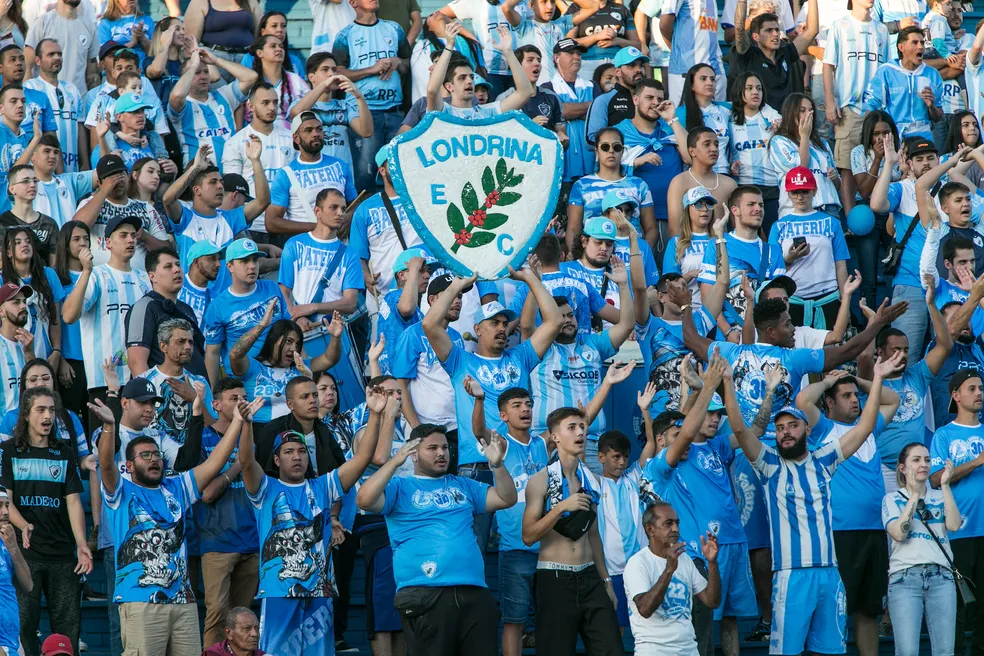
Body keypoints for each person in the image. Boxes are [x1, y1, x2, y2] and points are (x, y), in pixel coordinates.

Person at [724, 349, 903, 655]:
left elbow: (863, 428)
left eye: (792, 426)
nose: (785, 433)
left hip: (830, 574)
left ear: (807, 429)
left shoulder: (824, 458)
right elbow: (740, 429)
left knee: (831, 651)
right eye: (780, 429)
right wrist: (728, 381)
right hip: (791, 575)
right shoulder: (768, 464)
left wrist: (878, 380)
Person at [92, 374, 244, 656]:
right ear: (130, 464)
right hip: (140, 601)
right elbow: (105, 464)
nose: (154, 460)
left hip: (182, 601)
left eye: (157, 455)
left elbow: (215, 463)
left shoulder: (178, 488)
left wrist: (237, 421)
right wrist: (110, 426)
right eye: (145, 456)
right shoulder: (120, 492)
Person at [238, 380, 381, 655]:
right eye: (289, 452)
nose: (297, 457)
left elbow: (363, 459)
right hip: (280, 591)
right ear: (277, 460)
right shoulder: (265, 489)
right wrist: (245, 425)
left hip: (320, 592)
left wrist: (375, 414)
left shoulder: (323, 486)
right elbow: (246, 462)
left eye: (302, 451)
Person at [356, 420, 517, 655]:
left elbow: (506, 498)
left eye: (444, 447)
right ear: (413, 454)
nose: (441, 453)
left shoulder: (463, 484)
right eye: (432, 448)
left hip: (474, 592)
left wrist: (498, 464)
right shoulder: (400, 486)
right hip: (425, 592)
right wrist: (394, 462)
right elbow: (364, 500)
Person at [641, 355, 756, 656]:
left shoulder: (678, 458)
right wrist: (706, 385)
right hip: (675, 560)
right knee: (692, 634)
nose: (687, 442)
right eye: (678, 438)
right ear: (662, 441)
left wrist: (696, 388)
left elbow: (684, 424)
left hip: (693, 557)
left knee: (703, 631)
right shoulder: (658, 468)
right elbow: (686, 427)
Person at [795, 370, 901, 656]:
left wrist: (861, 380)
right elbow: (803, 399)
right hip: (840, 533)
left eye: (856, 396)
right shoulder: (822, 428)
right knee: (836, 608)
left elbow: (894, 400)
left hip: (875, 531)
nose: (855, 400)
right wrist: (829, 381)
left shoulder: (868, 427)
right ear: (829, 403)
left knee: (869, 610)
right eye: (847, 396)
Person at [521, 406, 622, 655]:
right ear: (555, 437)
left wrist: (606, 581)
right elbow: (528, 536)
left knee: (611, 649)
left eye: (582, 427)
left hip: (590, 577)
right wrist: (559, 509)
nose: (580, 432)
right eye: (572, 427)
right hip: (555, 579)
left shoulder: (591, 480)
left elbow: (594, 534)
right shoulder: (541, 480)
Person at [0, 387, 91, 656]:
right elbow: (7, 499)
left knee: (67, 631)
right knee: (24, 629)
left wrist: (81, 544)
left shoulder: (64, 452)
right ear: (26, 415)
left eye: (52, 410)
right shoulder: (9, 451)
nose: (47, 415)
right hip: (24, 553)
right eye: (40, 409)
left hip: (62, 555)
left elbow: (74, 501)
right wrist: (23, 525)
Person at [525, 256, 636, 472]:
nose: (567, 320)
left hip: (592, 444)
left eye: (570, 315)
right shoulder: (539, 348)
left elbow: (627, 324)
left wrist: (622, 285)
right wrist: (533, 282)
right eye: (560, 317)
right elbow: (526, 325)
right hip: (547, 444)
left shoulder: (593, 344)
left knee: (590, 503)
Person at [61, 214, 152, 425]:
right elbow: (68, 315)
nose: (130, 240)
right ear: (108, 243)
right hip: (103, 380)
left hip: (138, 379)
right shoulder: (96, 275)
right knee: (104, 447)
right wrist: (85, 271)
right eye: (123, 235)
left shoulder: (144, 280)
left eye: (132, 235)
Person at [197, 379, 260, 650]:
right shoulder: (203, 439)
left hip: (252, 539)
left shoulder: (251, 438)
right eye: (234, 398)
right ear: (217, 405)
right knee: (217, 615)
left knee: (244, 620)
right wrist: (237, 467)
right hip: (217, 542)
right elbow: (207, 493)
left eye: (244, 397)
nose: (241, 403)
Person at [883, 442, 961, 656]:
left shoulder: (939, 495)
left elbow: (953, 525)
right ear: (902, 467)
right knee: (907, 651)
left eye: (927, 460)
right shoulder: (892, 499)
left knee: (945, 650)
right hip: (905, 579)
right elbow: (899, 533)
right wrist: (914, 494)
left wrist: (945, 486)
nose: (923, 464)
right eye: (916, 460)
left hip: (941, 577)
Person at [929, 368, 984, 656]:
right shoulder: (944, 434)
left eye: (981, 388)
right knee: (958, 606)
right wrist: (976, 462)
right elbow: (936, 478)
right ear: (955, 395)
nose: (979, 393)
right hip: (959, 530)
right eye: (972, 388)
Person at [332, 0, 412, 193]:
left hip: (394, 111)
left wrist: (396, 61)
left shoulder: (394, 29)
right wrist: (372, 69)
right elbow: (338, 73)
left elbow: (407, 63)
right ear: (353, 3)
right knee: (366, 177)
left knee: (400, 173)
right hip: (365, 114)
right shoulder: (345, 35)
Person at [164, 143, 272, 282]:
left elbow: (263, 201)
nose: (220, 186)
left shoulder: (230, 218)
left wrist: (255, 161)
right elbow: (168, 199)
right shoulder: (185, 217)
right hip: (191, 299)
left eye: (221, 182)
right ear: (197, 190)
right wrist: (195, 168)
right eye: (213, 182)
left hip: (223, 300)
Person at [624, 501, 721, 656]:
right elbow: (645, 609)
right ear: (650, 529)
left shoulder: (685, 560)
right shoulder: (637, 563)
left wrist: (712, 563)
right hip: (654, 651)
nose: (675, 528)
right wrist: (669, 570)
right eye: (668, 523)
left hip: (689, 650)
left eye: (677, 523)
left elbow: (712, 601)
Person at [823, 0, 890, 212]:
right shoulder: (840, 26)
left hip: (876, 109)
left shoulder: (881, 29)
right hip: (849, 107)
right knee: (846, 165)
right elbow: (828, 65)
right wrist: (829, 99)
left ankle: (878, 211)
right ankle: (851, 217)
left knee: (881, 158)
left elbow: (887, 69)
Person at [768, 167, 850, 330]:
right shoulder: (779, 226)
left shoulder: (830, 222)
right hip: (792, 300)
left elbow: (841, 264)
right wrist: (789, 259)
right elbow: (772, 271)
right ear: (788, 193)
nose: (800, 197)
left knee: (829, 353)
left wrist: (844, 300)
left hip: (828, 297)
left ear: (814, 191)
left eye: (805, 191)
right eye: (795, 192)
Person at [391, 274, 464, 457]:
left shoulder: (457, 337)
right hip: (426, 428)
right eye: (451, 294)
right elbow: (400, 385)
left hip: (457, 427)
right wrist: (417, 429)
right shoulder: (412, 335)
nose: (457, 301)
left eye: (460, 295)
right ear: (432, 300)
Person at [697, 186, 786, 331]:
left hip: (763, 334)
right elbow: (707, 295)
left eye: (761, 205)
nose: (758, 209)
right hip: (727, 337)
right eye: (751, 204)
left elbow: (780, 300)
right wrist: (727, 331)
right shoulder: (718, 244)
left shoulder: (773, 251)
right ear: (735, 210)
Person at [278, 187, 363, 335]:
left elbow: (350, 303)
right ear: (317, 211)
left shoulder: (350, 254)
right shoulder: (294, 245)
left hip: (334, 332)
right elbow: (282, 291)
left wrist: (313, 307)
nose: (340, 213)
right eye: (333, 207)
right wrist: (296, 318)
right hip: (298, 331)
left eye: (343, 209)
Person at [202, 238, 289, 384]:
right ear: (230, 266)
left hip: (281, 373)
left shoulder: (272, 288)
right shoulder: (217, 307)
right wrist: (211, 396)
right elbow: (212, 353)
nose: (252, 266)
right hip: (245, 381)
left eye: (255, 260)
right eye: (244, 261)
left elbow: (290, 329)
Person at [221, 82, 296, 243]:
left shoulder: (291, 139)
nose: (272, 107)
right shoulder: (235, 143)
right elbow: (233, 191)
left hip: (288, 224)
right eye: (265, 103)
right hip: (252, 226)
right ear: (250, 106)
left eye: (275, 102)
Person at [265, 111, 356, 239]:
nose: (315, 134)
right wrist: (318, 227)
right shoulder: (285, 174)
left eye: (319, 129)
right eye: (308, 130)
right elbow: (272, 222)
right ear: (296, 138)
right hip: (305, 248)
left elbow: (355, 203)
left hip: (339, 245)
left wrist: (349, 217)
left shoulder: (340, 165)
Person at [349, 143, 424, 298]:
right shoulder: (365, 209)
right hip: (383, 294)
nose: (399, 166)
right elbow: (358, 257)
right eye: (393, 162)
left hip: (423, 290)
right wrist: (366, 277)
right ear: (382, 171)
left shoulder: (422, 199)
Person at [72, 153, 171, 271]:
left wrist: (145, 237)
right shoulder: (89, 203)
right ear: (99, 182)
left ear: (128, 177)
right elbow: (76, 229)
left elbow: (168, 252)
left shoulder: (146, 208)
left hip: (139, 282)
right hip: (98, 279)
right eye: (110, 177)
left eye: (120, 174)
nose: (117, 180)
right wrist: (103, 192)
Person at [566, 127, 657, 249]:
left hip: (632, 254)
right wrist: (575, 254)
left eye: (617, 147)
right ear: (596, 151)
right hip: (594, 255)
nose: (611, 151)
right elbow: (573, 229)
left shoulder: (640, 185)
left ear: (623, 151)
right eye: (605, 147)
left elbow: (651, 229)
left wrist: (643, 255)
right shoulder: (580, 185)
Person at [167, 47, 258, 167]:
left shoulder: (223, 95)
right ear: (186, 78)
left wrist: (216, 60)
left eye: (206, 71)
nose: (204, 76)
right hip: (198, 175)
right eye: (197, 73)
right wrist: (193, 65)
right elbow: (177, 95)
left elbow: (251, 77)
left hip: (233, 171)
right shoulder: (183, 105)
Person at [124, 247, 207, 379]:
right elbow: (137, 363)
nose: (176, 270)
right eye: (168, 266)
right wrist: (152, 398)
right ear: (152, 276)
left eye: (178, 265)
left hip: (195, 392)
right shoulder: (144, 307)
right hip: (166, 395)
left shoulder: (187, 309)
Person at [286, 52, 371, 173]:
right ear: (311, 77)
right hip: (312, 176)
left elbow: (366, 131)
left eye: (334, 70)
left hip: (341, 176)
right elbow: (296, 114)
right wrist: (324, 85)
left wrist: (359, 97)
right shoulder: (300, 104)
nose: (332, 74)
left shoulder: (344, 106)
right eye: (325, 70)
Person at [137, 317, 215, 446]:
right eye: (181, 341)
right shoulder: (144, 381)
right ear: (163, 346)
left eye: (190, 342)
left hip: (193, 456)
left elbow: (212, 428)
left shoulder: (200, 383)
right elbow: (133, 425)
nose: (188, 347)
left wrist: (194, 398)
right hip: (155, 456)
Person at [727, 1, 817, 111]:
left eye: (777, 30)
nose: (775, 34)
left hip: (784, 122)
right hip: (759, 122)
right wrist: (742, 2)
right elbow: (739, 29)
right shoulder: (748, 56)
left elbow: (812, 30)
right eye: (768, 30)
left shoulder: (786, 52)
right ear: (756, 37)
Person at [426, 24, 532, 117]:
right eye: (461, 78)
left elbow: (525, 92)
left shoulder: (489, 112)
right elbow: (432, 91)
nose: (469, 81)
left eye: (471, 77)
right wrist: (449, 46)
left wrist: (508, 52)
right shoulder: (444, 112)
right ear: (449, 86)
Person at [429, 0, 527, 98]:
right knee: (495, 108)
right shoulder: (474, 2)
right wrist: (470, 37)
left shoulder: (523, 2)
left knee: (523, 107)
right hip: (492, 70)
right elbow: (440, 16)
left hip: (522, 67)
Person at [767, 93, 841, 218]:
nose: (808, 114)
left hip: (829, 208)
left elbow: (838, 185)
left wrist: (834, 177)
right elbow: (800, 169)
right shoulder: (779, 141)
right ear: (790, 113)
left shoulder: (822, 143)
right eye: (802, 110)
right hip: (797, 211)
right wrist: (804, 136)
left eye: (811, 110)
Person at [864, 26, 944, 141]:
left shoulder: (933, 74)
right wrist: (867, 139)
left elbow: (938, 117)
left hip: (923, 135)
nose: (921, 47)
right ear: (901, 47)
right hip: (894, 135)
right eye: (915, 43)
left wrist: (931, 106)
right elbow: (871, 107)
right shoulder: (886, 71)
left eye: (922, 42)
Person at [726, 73, 781, 232]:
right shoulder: (729, 119)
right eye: (749, 88)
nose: (755, 92)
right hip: (744, 185)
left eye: (758, 88)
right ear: (739, 92)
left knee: (772, 237)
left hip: (771, 186)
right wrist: (731, 164)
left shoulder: (772, 117)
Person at [541, 38, 595, 199]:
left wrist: (569, 110)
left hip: (591, 162)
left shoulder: (592, 85)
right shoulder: (547, 88)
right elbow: (562, 112)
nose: (577, 57)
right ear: (556, 58)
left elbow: (598, 114)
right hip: (563, 166)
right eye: (571, 53)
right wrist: (589, 105)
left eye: (578, 54)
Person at [23, 39, 85, 172]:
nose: (57, 57)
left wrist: (85, 162)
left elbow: (79, 126)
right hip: (44, 169)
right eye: (51, 54)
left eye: (59, 54)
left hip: (72, 168)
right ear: (38, 61)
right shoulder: (30, 87)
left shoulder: (72, 89)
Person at [52, 222, 89, 426]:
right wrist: (61, 359)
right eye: (76, 239)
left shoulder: (96, 274)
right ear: (65, 244)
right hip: (70, 360)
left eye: (85, 239)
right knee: (69, 420)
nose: (82, 243)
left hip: (92, 359)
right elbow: (51, 320)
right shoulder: (55, 276)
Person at [23, 0, 99, 95]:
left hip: (78, 101)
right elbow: (27, 68)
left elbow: (92, 73)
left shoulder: (89, 27)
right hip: (46, 99)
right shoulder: (43, 22)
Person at [659, 0, 725, 103]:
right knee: (683, 115)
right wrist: (677, 48)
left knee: (716, 116)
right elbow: (664, 25)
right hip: (685, 71)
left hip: (716, 70)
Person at [245, 35, 310, 130]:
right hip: (257, 138)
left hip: (291, 139)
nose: (279, 49)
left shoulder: (295, 80)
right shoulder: (250, 81)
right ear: (259, 53)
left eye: (281, 46)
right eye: (273, 46)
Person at [30, 133, 94, 229]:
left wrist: (101, 138)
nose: (52, 156)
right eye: (47, 151)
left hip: (66, 243)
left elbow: (103, 173)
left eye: (56, 152)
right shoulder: (25, 185)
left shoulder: (69, 181)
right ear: (32, 156)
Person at [584, 45, 647, 142]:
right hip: (619, 156)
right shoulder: (603, 100)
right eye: (631, 65)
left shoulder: (650, 99)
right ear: (618, 72)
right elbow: (591, 139)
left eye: (641, 65)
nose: (638, 70)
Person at [183, 0, 260, 73]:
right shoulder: (200, 2)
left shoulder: (250, 1)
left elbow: (261, 34)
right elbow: (190, 43)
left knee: (248, 84)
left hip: (246, 59)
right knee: (218, 86)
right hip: (212, 59)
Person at [0, 484, 32, 655]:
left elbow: (28, 585)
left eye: (6, 505)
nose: (5, 512)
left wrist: (14, 548)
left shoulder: (6, 543)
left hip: (12, 643)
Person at [0, 84, 42, 214]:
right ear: (1, 108)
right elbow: (15, 175)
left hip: (19, 215)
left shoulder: (26, 139)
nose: (20, 105)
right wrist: (36, 139)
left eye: (23, 101)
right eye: (13, 101)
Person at [176, 240, 220, 327]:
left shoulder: (215, 300)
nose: (218, 264)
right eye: (212, 258)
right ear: (196, 262)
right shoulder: (174, 284)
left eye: (219, 259)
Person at [97, 0, 154, 65]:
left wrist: (142, 37)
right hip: (119, 71)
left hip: (145, 69)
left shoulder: (148, 20)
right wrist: (132, 43)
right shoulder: (106, 23)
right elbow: (107, 55)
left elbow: (154, 54)